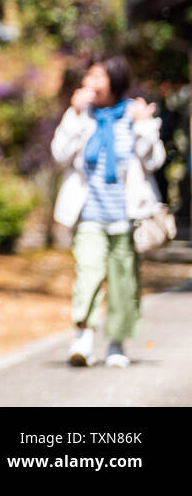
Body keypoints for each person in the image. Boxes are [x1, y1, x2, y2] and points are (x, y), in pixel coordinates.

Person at [52, 55, 165, 368]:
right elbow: (60, 153)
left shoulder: (133, 114)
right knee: (87, 274)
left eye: (97, 77)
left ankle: (116, 343)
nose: (90, 83)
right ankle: (84, 338)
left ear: (115, 81)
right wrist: (74, 115)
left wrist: (144, 124)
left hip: (127, 216)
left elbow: (153, 160)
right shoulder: (80, 115)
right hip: (89, 213)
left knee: (123, 282)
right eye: (88, 76)